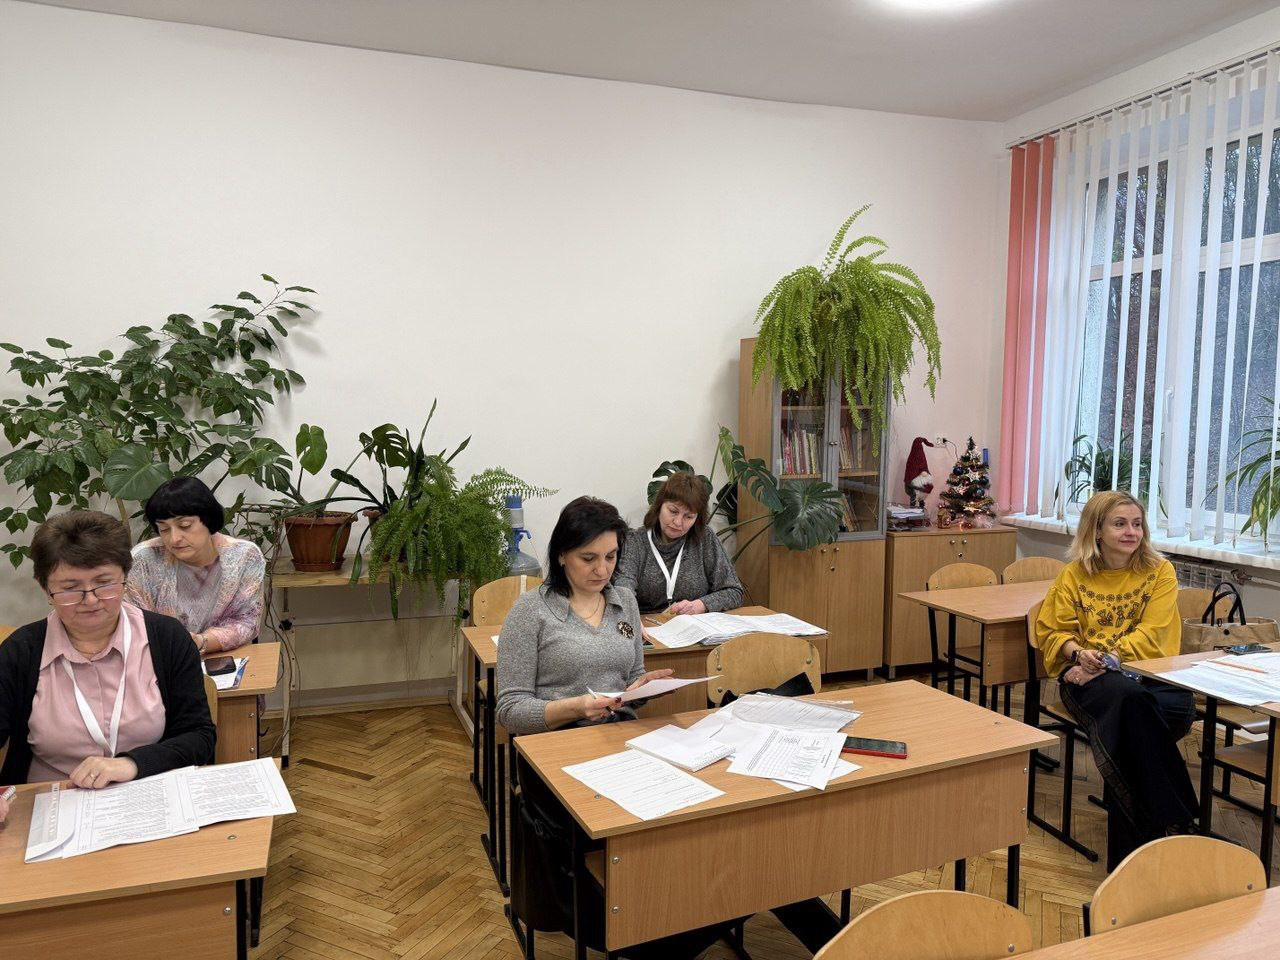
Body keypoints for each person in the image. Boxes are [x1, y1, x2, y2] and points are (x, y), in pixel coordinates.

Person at [0, 511, 216, 821]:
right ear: (45, 588)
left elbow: (199, 736)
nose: (91, 600)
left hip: (149, 799)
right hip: (50, 809)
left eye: (104, 583)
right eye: (71, 588)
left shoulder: (167, 638)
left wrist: (131, 764)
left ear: (125, 576)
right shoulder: (20, 652)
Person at [1035, 490, 1196, 868]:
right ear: (1097, 530)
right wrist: (1079, 655)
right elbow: (1053, 631)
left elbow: (1153, 633)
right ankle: (1178, 819)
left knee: (1133, 721)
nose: (1131, 532)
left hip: (1153, 676)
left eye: (1137, 524)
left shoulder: (1160, 572)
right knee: (1130, 704)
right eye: (1120, 524)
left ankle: (1132, 860)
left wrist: (1102, 660)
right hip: (1090, 682)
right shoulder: (1073, 575)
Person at [126, 476, 266, 655]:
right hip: (161, 661)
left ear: (208, 519)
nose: (174, 539)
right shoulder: (143, 560)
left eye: (184, 525)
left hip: (224, 657)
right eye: (164, 529)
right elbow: (135, 625)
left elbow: (246, 622)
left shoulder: (245, 557)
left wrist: (201, 641)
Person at [614, 471, 744, 616]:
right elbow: (623, 590)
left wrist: (701, 605)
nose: (678, 522)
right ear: (659, 506)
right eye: (673, 511)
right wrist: (631, 618)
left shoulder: (704, 538)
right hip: (647, 623)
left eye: (688, 517)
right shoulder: (635, 541)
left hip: (693, 623)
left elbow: (734, 591)